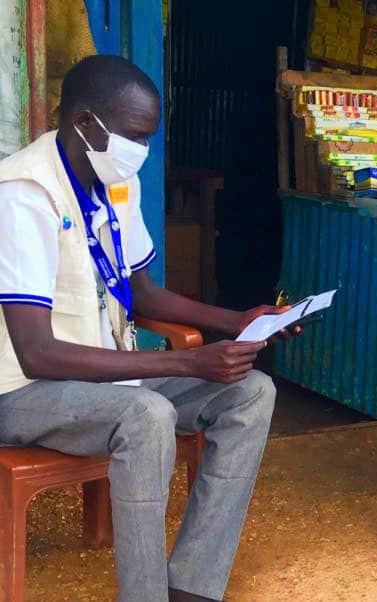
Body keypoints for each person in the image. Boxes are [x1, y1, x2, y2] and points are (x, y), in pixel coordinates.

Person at [0, 55, 293, 602]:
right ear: (86, 124)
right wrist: (185, 360)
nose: (144, 151)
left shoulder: (114, 179)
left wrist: (238, 321)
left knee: (251, 393)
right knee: (147, 415)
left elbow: (141, 291)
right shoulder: (23, 195)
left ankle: (192, 586)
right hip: (22, 394)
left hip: (109, 383)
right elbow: (36, 353)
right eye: (136, 135)